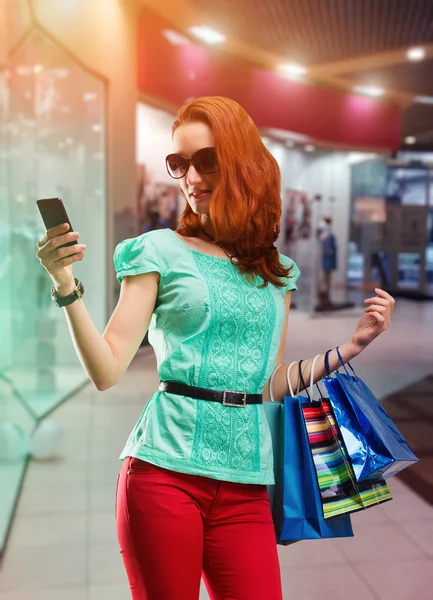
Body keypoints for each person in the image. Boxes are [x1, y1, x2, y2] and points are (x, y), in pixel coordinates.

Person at [36, 96, 395, 600]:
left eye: (206, 160)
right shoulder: (158, 250)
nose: (189, 177)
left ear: (241, 162)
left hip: (245, 482)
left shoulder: (277, 272)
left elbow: (266, 383)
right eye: (178, 163)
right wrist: (65, 283)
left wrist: (351, 347)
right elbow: (106, 369)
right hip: (164, 474)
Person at [317, 215, 338, 307]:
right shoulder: (325, 230)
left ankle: (325, 296)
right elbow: (325, 244)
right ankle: (323, 296)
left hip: (328, 257)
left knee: (327, 277)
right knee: (325, 277)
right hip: (327, 257)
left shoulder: (325, 230)